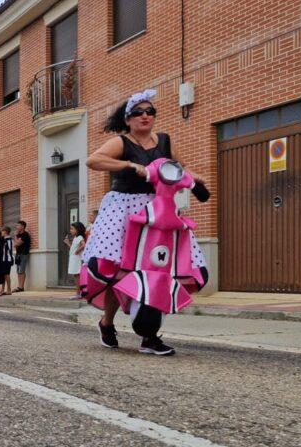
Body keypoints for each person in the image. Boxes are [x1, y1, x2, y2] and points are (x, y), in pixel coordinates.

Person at [81, 89, 208, 355]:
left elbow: (180, 168)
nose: (145, 116)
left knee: (161, 270)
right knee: (117, 270)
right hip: (125, 210)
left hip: (159, 210)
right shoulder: (122, 142)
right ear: (128, 119)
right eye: (138, 112)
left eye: (150, 111)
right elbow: (93, 160)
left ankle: (149, 336)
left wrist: (195, 180)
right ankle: (107, 323)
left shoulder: (165, 141)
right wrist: (128, 166)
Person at [12, 221, 31, 292]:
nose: (17, 227)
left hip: (23, 254)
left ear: (23, 226)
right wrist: (16, 238)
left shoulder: (25, 235)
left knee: (21, 271)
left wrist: (15, 236)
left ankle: (21, 287)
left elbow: (18, 244)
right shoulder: (19, 235)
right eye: (17, 225)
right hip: (18, 254)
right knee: (18, 271)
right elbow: (14, 245)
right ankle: (19, 286)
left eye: (18, 225)